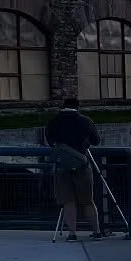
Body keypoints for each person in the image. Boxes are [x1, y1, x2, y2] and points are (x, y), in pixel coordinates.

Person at [44, 97, 104, 240]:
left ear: (62, 106)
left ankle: (72, 233)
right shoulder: (85, 121)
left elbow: (50, 142)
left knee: (68, 201)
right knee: (87, 200)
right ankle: (96, 231)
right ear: (78, 107)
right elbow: (96, 141)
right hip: (81, 164)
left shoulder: (54, 121)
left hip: (62, 165)